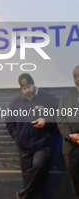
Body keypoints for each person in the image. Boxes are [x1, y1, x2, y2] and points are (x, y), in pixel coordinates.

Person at [6, 73, 58, 199]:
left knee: (38, 167)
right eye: (23, 88)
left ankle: (22, 196)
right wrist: (17, 137)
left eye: (28, 87)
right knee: (28, 179)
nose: (26, 90)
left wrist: (46, 120)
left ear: (33, 84)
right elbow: (9, 122)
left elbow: (58, 115)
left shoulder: (48, 98)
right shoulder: (16, 102)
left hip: (43, 144)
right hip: (24, 146)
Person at [57, 65, 79, 199]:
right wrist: (70, 136)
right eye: (75, 76)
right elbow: (60, 118)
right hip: (72, 149)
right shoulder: (66, 95)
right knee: (76, 185)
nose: (78, 79)